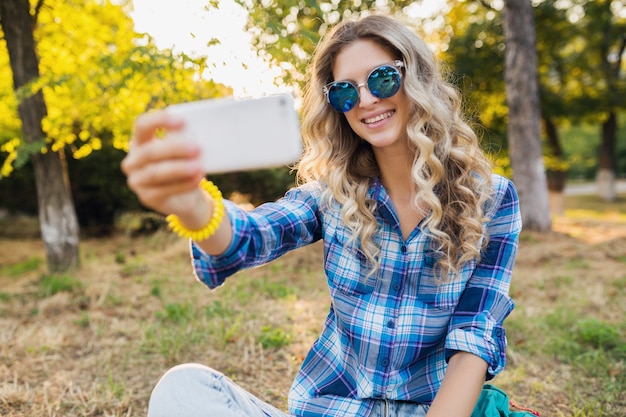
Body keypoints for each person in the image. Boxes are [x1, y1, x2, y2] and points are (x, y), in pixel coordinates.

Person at [121, 14, 522, 417]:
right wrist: (193, 206)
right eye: (345, 92)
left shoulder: (491, 199)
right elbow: (250, 236)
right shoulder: (331, 196)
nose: (365, 100)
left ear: (415, 76)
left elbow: (473, 341)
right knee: (184, 388)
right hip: (330, 409)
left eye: (382, 79)